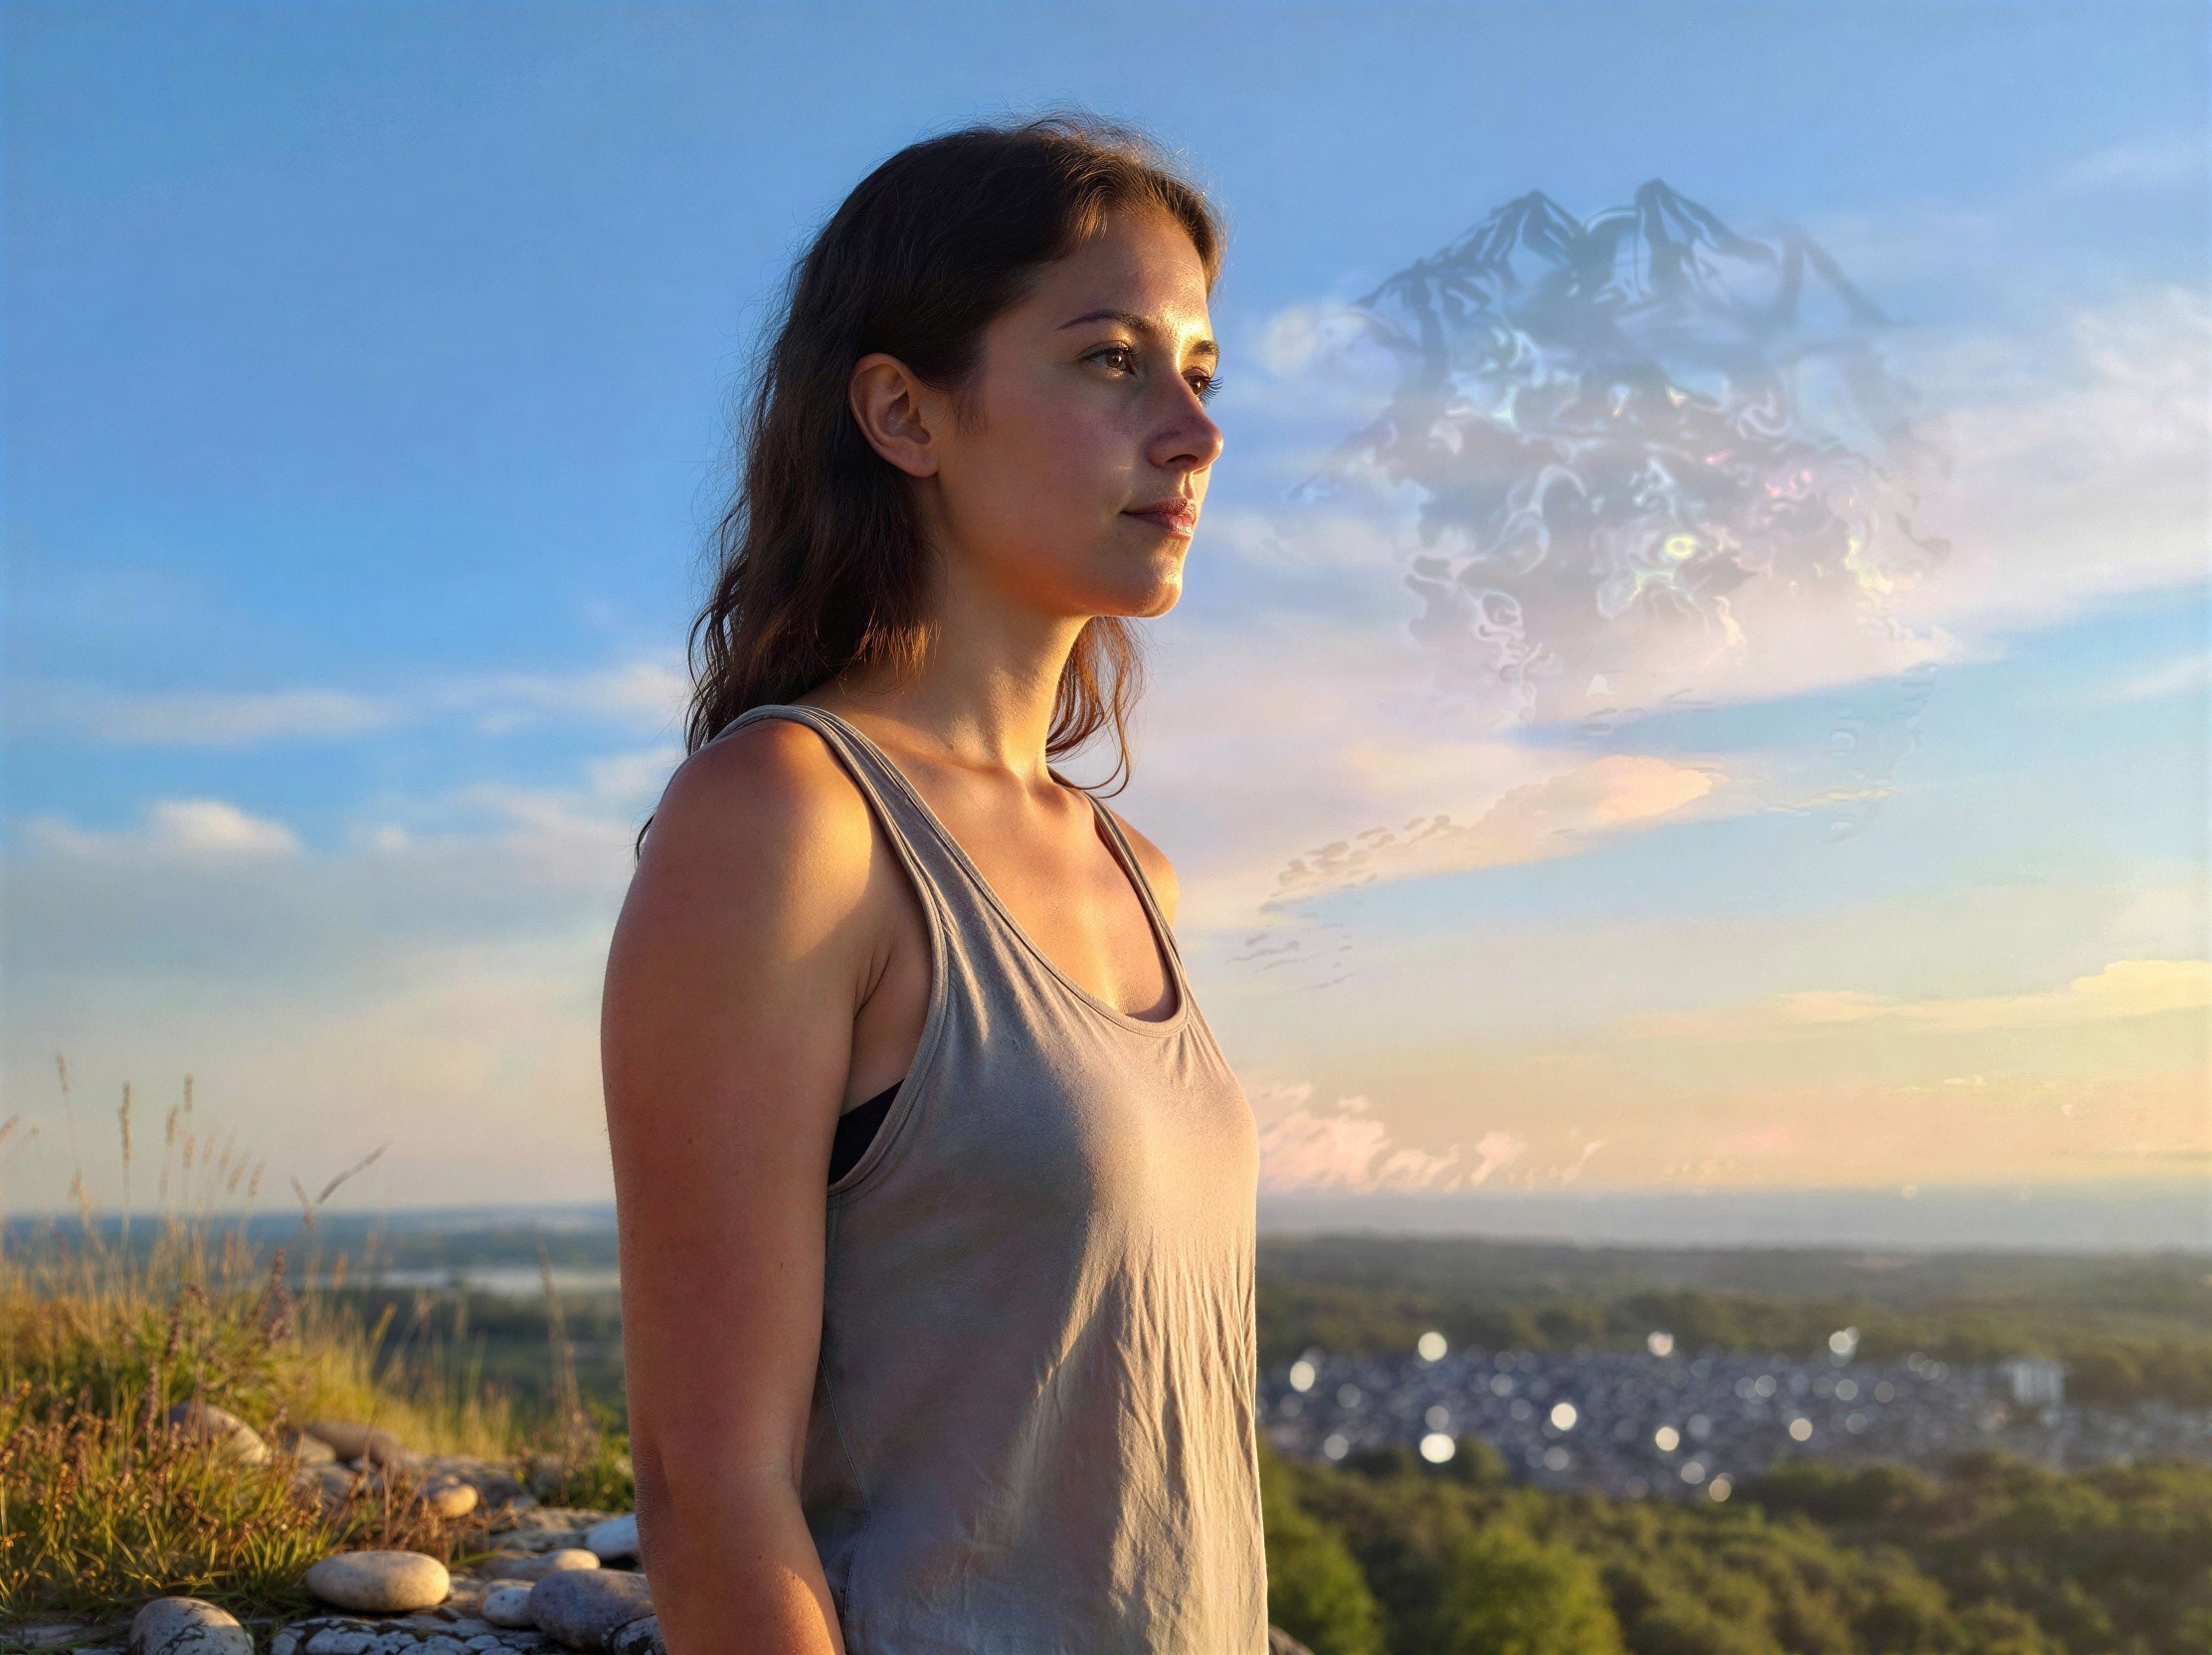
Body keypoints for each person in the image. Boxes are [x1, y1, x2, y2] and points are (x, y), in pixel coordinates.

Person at [598, 114, 1267, 1654]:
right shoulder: (788, 823)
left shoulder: (1135, 873)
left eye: (1201, 372)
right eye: (1112, 361)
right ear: (905, 413)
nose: (1194, 433)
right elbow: (709, 1495)